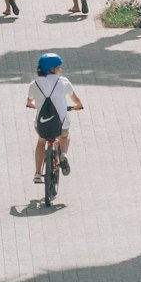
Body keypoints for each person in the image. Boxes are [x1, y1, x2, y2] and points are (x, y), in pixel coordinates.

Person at [26, 52, 83, 184]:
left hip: (43, 126)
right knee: (64, 136)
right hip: (61, 125)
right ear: (52, 69)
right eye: (58, 67)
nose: (60, 69)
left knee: (41, 141)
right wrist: (78, 106)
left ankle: (38, 174)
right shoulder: (63, 82)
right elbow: (76, 100)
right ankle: (63, 154)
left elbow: (29, 102)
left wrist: (33, 105)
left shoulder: (34, 84)